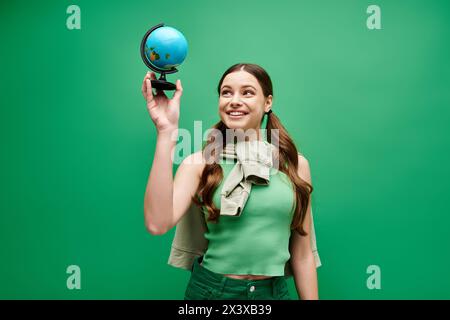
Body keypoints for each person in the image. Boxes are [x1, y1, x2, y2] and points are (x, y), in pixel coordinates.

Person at [142, 63, 321, 300]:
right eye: (227, 92)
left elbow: (303, 254)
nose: (234, 100)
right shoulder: (198, 164)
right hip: (211, 293)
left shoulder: (295, 166)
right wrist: (166, 132)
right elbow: (157, 224)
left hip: (272, 295)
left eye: (247, 92)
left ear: (268, 102)